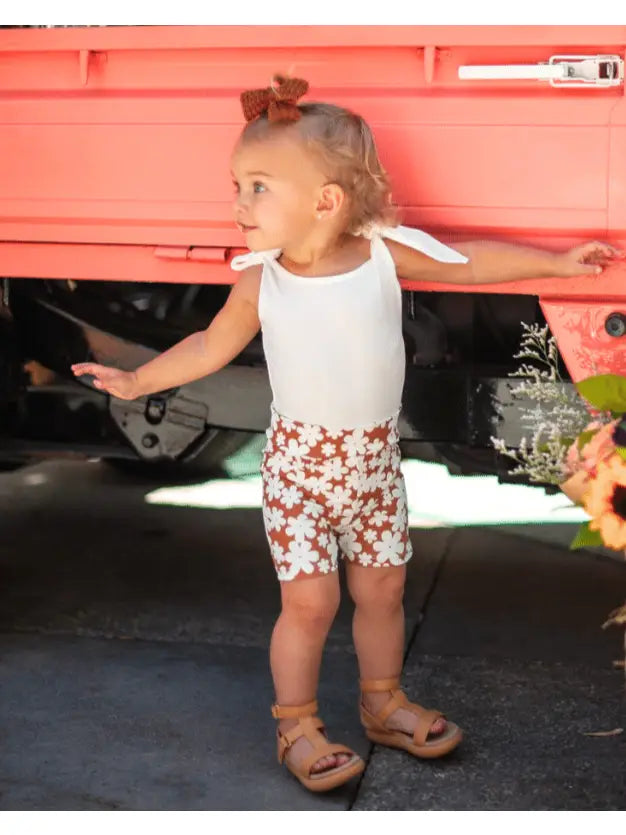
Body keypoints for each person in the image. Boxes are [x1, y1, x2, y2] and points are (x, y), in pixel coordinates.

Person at [71, 74, 622, 794]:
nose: (237, 203)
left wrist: (553, 264)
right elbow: (209, 347)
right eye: (238, 184)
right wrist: (139, 381)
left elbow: (472, 262)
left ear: (326, 201)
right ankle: (295, 723)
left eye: (258, 186)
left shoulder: (381, 255)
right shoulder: (262, 279)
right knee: (310, 602)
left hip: (372, 467)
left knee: (385, 590)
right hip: (299, 470)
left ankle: (382, 701)